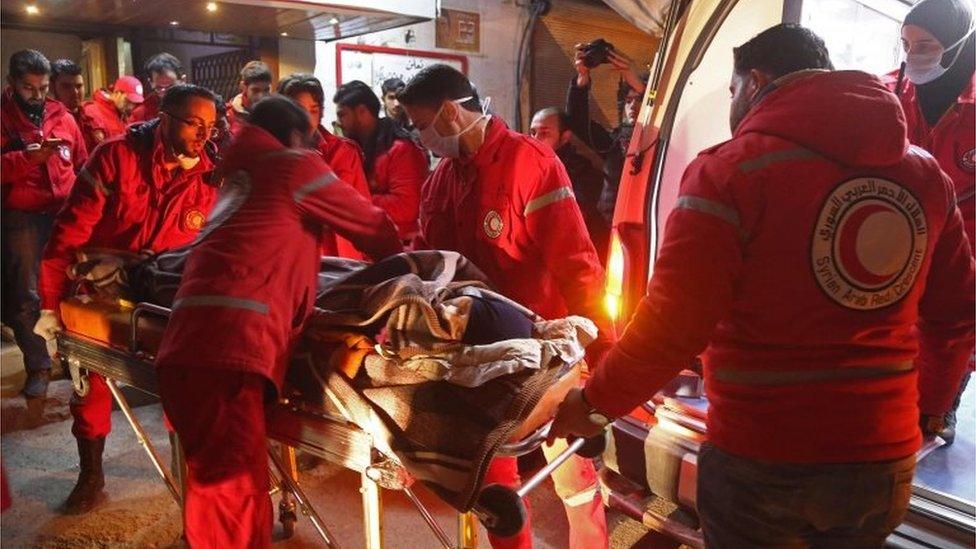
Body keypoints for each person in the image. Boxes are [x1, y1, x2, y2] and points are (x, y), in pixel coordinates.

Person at [550, 24, 976, 548]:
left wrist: (594, 404)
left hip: (765, 459)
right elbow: (957, 313)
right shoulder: (927, 176)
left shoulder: (728, 173)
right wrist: (927, 411)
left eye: (731, 91)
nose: (733, 105)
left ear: (755, 81)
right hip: (880, 463)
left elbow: (671, 328)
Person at [156, 96, 401, 548]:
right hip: (230, 353)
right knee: (233, 497)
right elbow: (374, 228)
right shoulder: (292, 165)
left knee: (219, 487)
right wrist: (412, 272)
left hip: (190, 347)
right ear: (293, 138)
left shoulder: (238, 178)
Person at [398, 64, 611, 549]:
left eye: (422, 124)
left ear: (451, 114)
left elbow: (577, 263)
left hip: (544, 351)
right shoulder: (443, 179)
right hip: (478, 358)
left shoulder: (529, 163)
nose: (420, 137)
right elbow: (427, 260)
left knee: (571, 472)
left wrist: (601, 352)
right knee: (496, 488)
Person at [33, 84, 221, 515]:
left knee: (184, 385)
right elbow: (69, 233)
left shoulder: (211, 174)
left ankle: (189, 471)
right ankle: (91, 474)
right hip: (103, 287)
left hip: (165, 295)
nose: (202, 136)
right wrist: (50, 302)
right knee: (90, 386)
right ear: (165, 117)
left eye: (209, 127)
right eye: (194, 124)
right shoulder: (117, 157)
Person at [886, 0, 975, 445]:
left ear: (959, 45)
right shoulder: (892, 94)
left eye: (926, 45)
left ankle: (939, 408)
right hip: (903, 245)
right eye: (906, 44)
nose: (913, 56)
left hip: (967, 254)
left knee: (951, 342)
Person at [1, 50, 88, 398]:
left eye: (43, 88)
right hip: (20, 217)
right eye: (29, 88)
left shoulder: (60, 114)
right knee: (26, 294)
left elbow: (81, 163)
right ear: (12, 84)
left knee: (70, 290)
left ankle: (72, 357)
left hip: (63, 214)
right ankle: (38, 365)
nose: (37, 96)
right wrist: (27, 159)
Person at [278, 73, 372, 259]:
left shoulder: (343, 152)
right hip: (295, 257)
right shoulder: (273, 156)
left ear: (321, 112)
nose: (306, 119)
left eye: (313, 110)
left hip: (341, 258)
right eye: (298, 110)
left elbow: (364, 211)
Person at [334, 80, 428, 243]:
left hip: (399, 249)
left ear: (362, 112)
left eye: (343, 114)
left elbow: (406, 207)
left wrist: (353, 199)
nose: (339, 122)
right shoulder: (356, 147)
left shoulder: (401, 149)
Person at [567, 45, 646, 226]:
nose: (632, 106)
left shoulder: (661, 138)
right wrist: (582, 78)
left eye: (639, 98)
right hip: (610, 228)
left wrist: (640, 86)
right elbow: (577, 122)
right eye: (628, 100)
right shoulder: (615, 142)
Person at [530, 107, 609, 261]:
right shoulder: (529, 167)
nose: (535, 139)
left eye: (544, 133)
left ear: (565, 137)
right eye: (533, 132)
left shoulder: (583, 173)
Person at [77, 76, 145, 151]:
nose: (131, 107)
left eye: (135, 103)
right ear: (117, 93)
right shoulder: (93, 111)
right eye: (128, 101)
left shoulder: (122, 115)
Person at [130, 52, 185, 123]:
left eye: (171, 87)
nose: (165, 93)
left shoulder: (197, 107)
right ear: (151, 83)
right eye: (159, 88)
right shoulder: (140, 115)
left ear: (183, 80)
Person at [227, 60, 273, 136]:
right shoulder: (228, 115)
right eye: (255, 90)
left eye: (266, 90)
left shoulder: (275, 113)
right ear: (243, 87)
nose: (261, 96)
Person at [49, 59, 85, 125]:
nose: (75, 92)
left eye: (79, 86)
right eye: (67, 87)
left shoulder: (91, 117)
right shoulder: (49, 122)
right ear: (52, 87)